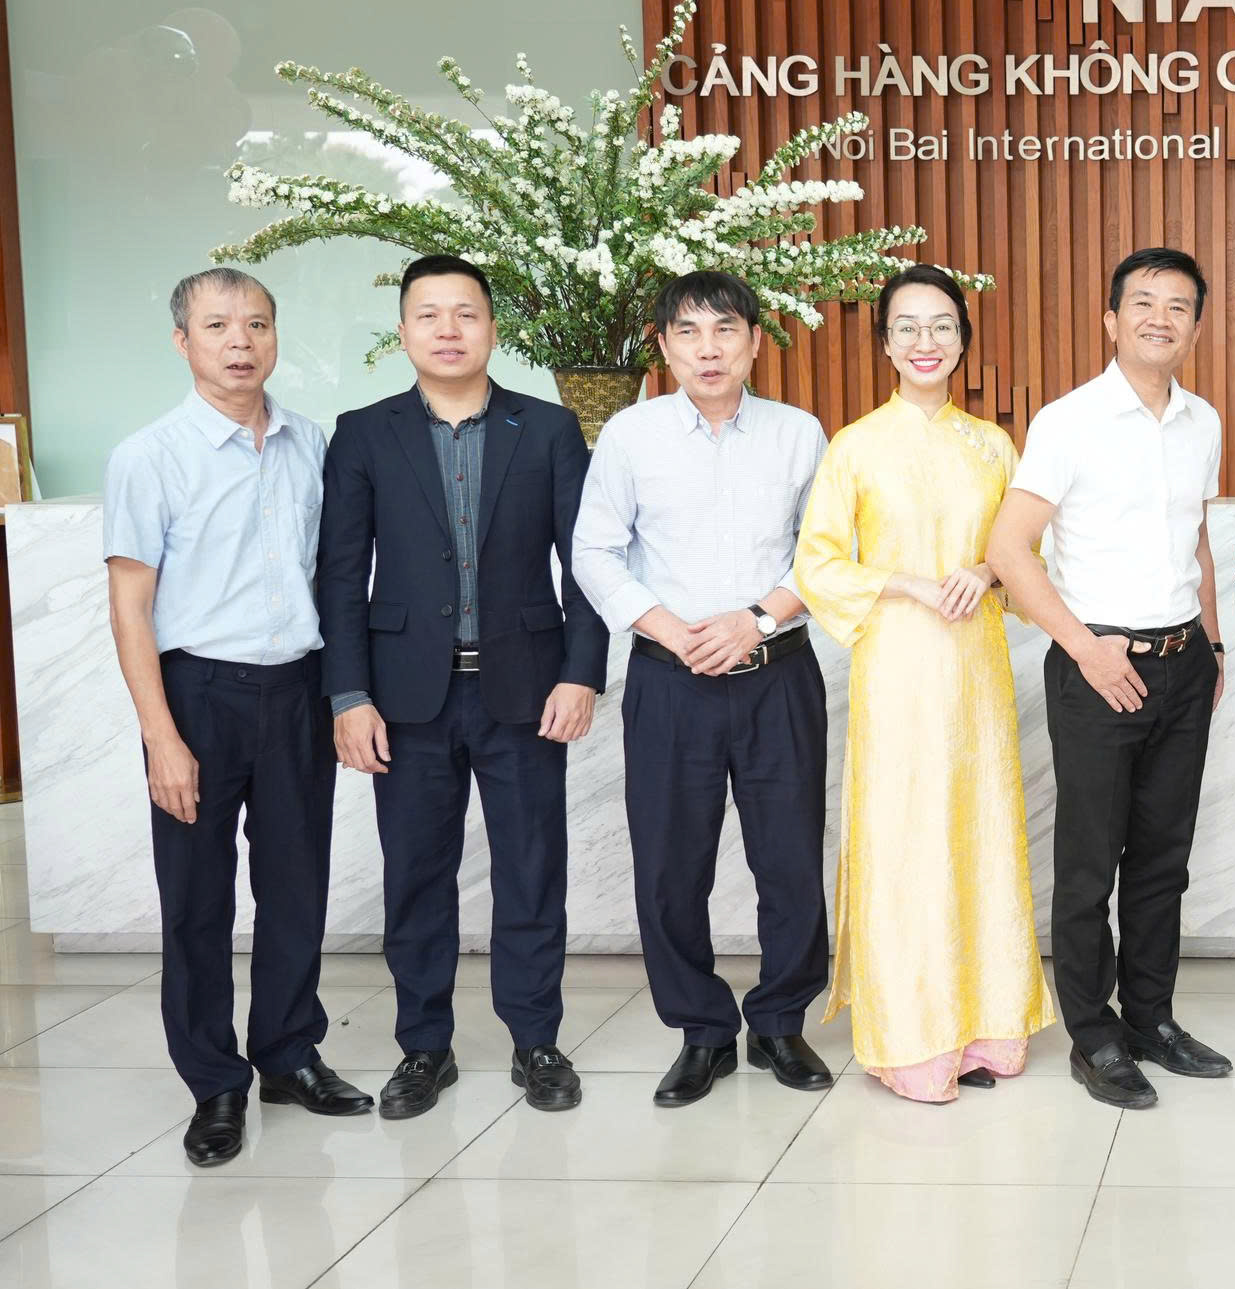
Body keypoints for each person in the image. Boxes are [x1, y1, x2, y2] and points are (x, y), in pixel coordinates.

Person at [319, 253, 606, 1119]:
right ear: (403, 330)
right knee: (416, 875)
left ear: (493, 327)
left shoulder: (548, 428)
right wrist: (348, 694)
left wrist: (581, 672)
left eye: (466, 313)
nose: (448, 329)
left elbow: (586, 564)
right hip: (405, 698)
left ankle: (536, 1039)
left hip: (525, 690)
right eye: (429, 314)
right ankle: (423, 1046)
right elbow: (341, 575)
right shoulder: (364, 433)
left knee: (531, 870)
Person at [104, 268, 374, 1168]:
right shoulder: (149, 455)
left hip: (296, 688)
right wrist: (161, 736)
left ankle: (288, 1054)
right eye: (217, 325)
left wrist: (342, 693)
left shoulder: (310, 442)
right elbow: (130, 605)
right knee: (198, 897)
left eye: (257, 323)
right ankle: (214, 1081)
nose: (240, 341)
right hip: (198, 695)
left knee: (297, 884)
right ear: (183, 341)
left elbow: (331, 577)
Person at [794, 264, 1057, 1102]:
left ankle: (986, 1023)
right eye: (906, 326)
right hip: (898, 669)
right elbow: (817, 563)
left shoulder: (994, 445)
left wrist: (986, 569)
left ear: (964, 340)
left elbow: (1030, 555)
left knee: (979, 832)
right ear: (883, 343)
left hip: (976, 671)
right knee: (905, 836)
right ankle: (910, 1036)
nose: (925, 341)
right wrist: (905, 581)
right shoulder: (855, 445)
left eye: (942, 324)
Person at [571, 271, 833, 1107]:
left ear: (755, 340)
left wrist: (757, 619)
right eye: (688, 331)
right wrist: (667, 627)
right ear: (663, 346)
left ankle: (781, 1021)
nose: (708, 348)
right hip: (669, 679)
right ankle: (701, 1030)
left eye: (725, 329)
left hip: (776, 675)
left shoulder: (798, 434)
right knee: (669, 866)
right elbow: (593, 551)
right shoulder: (631, 434)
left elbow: (825, 552)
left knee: (789, 860)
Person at [986, 247, 1231, 1110]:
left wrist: (1213, 644)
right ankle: (1093, 1035)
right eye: (1143, 303)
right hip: (1096, 666)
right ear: (1111, 319)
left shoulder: (1202, 421)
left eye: (1178, 306)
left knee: (1164, 859)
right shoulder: (1069, 420)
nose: (1160, 318)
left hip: (1182, 663)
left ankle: (1150, 1017)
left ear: (1195, 326)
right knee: (1090, 864)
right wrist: (1086, 648)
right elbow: (1008, 548)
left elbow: (1196, 538)